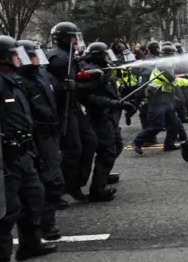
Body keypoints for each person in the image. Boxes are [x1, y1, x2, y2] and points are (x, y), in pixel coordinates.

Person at [0, 36, 58, 261]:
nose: (20, 58)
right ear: (2, 57)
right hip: (2, 157)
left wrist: (33, 150)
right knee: (3, 214)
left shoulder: (13, 80)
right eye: (15, 54)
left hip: (24, 152)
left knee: (34, 198)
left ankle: (30, 245)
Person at [16, 40, 65, 240]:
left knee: (53, 179)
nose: (37, 59)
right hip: (36, 136)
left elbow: (56, 92)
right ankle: (45, 225)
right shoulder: (19, 83)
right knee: (47, 181)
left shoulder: (43, 74)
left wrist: (66, 87)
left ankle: (45, 222)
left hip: (51, 133)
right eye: (33, 55)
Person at [46, 22, 99, 203]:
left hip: (74, 106)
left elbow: (77, 78)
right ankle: (56, 190)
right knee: (72, 149)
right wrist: (62, 87)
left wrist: (90, 77)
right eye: (72, 37)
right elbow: (47, 84)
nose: (75, 40)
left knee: (90, 142)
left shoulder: (70, 56)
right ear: (63, 38)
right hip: (63, 108)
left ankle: (75, 183)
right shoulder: (54, 57)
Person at [81, 42, 134, 202]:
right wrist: (116, 104)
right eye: (105, 55)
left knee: (117, 145)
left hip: (110, 115)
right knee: (107, 151)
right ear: (98, 56)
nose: (107, 58)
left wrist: (122, 103)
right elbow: (90, 98)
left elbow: (112, 90)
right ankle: (97, 190)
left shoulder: (104, 70)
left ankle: (103, 174)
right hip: (99, 116)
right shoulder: (91, 73)